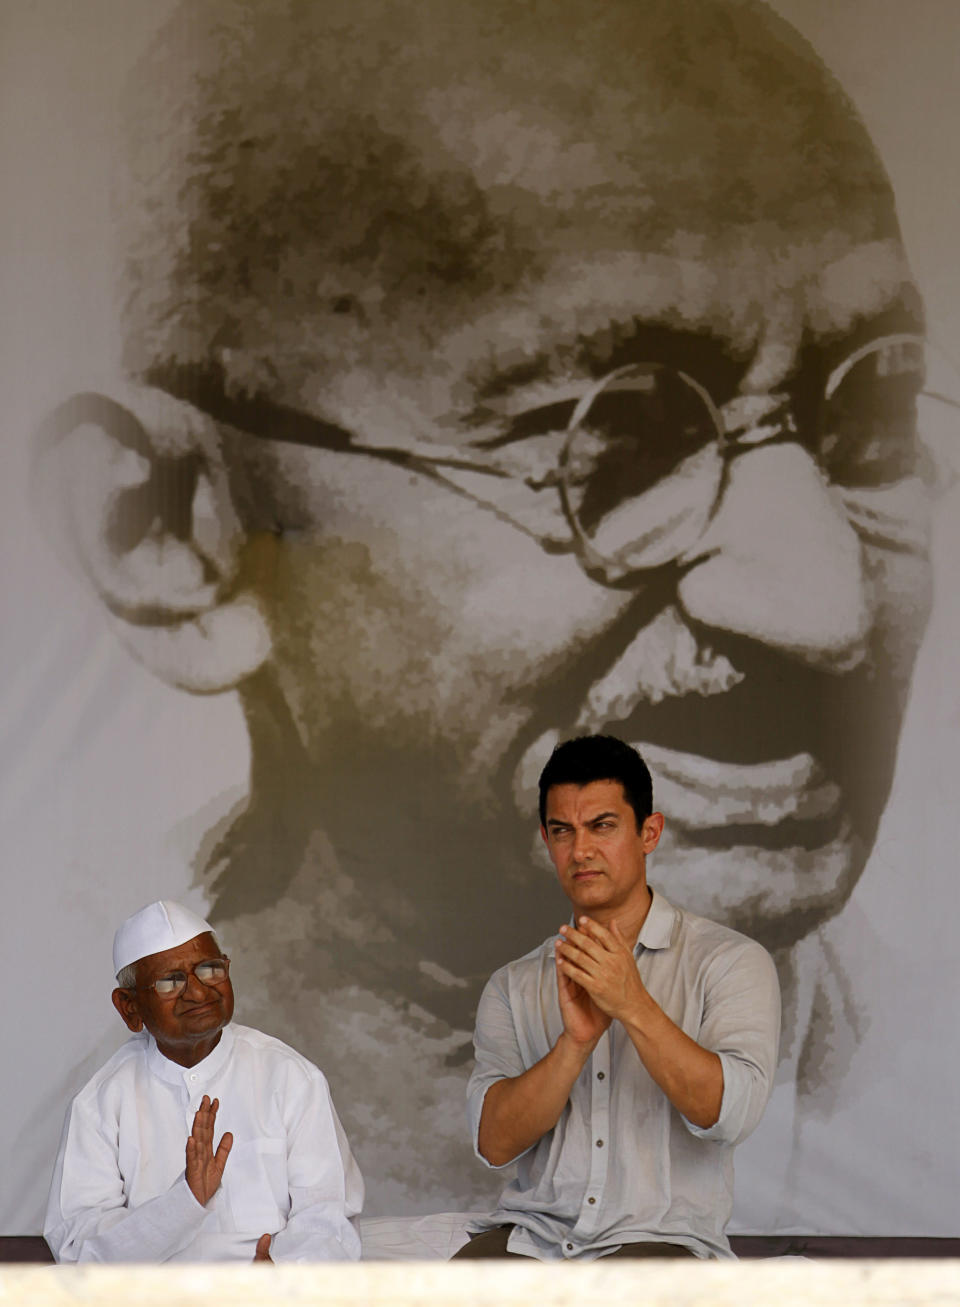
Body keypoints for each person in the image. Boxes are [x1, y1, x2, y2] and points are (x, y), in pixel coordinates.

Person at [33, 0, 950, 1222]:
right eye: (616, 448)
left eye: (866, 415)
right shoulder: (64, 1171)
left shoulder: (920, 1104)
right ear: (173, 537)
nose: (823, 607)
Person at [454, 735, 780, 1260]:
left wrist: (632, 1004)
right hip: (532, 1240)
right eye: (563, 831)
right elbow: (494, 1143)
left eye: (602, 826)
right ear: (547, 840)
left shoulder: (730, 961)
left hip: (662, 1242)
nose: (580, 850)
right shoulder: (514, 984)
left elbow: (730, 1115)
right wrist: (574, 1044)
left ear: (649, 832)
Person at [44, 900, 363, 1262]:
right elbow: (79, 1248)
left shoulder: (291, 1078)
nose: (198, 992)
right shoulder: (100, 1103)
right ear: (129, 1007)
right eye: (170, 981)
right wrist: (184, 1203)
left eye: (210, 969)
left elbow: (328, 1214)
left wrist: (285, 1274)